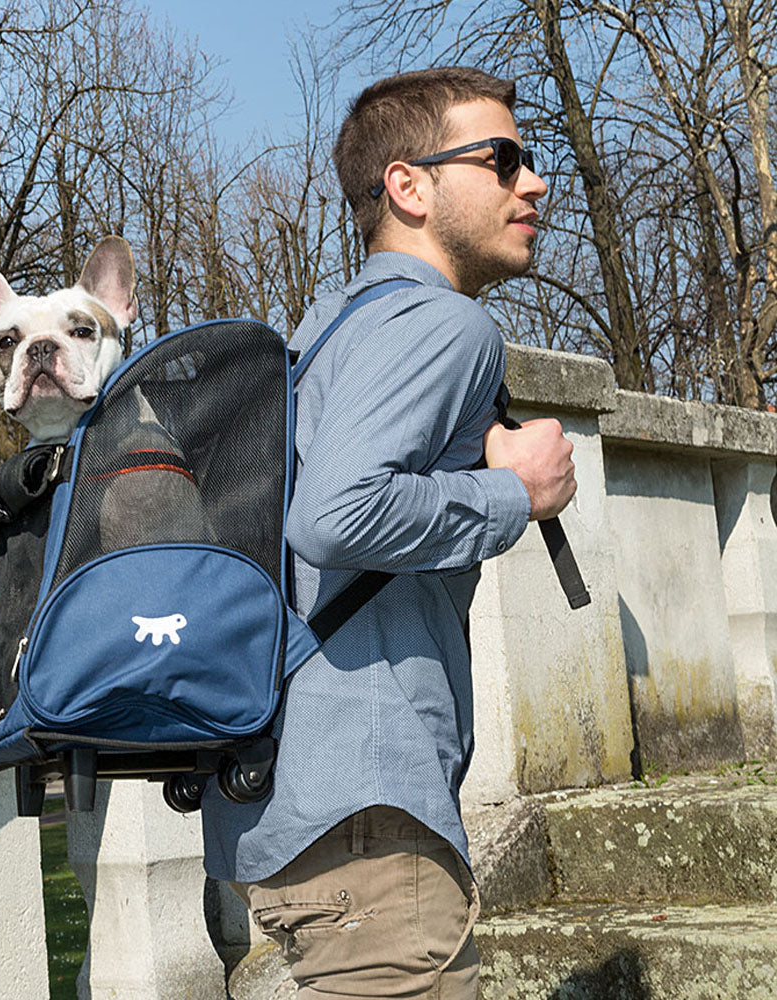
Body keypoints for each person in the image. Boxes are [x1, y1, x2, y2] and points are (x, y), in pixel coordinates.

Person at [200, 66, 577, 999]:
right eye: (502, 160)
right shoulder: (445, 325)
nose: (533, 182)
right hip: (367, 826)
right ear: (409, 186)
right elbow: (334, 516)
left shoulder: (326, 331)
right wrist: (516, 494)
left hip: (289, 808)